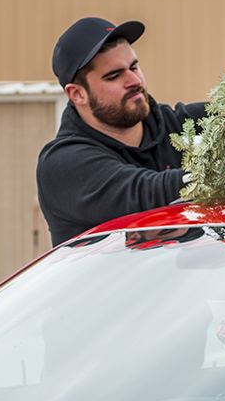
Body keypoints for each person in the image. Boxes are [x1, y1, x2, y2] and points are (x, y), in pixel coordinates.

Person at [37, 17, 207, 245]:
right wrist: (223, 172)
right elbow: (147, 193)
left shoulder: (177, 125)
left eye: (134, 67)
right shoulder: (63, 165)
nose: (134, 80)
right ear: (77, 94)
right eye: (114, 76)